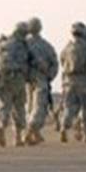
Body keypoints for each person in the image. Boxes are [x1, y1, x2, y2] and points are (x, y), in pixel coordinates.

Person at [0, 22, 30, 148]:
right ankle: (17, 138)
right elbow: (24, 62)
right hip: (17, 78)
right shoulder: (20, 45)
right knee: (19, 107)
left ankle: (1, 127)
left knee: (4, 106)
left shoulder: (0, 44)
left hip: (1, 79)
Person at [24, 16, 59, 145]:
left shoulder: (22, 44)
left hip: (27, 80)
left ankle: (34, 132)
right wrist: (50, 76)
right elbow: (54, 63)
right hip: (40, 79)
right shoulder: (45, 46)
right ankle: (30, 130)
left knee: (29, 106)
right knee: (39, 106)